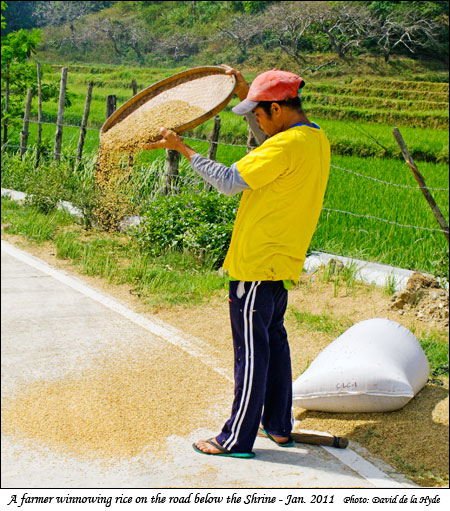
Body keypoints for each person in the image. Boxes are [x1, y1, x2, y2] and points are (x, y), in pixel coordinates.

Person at [144, 65, 331, 458]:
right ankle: (279, 426)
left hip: (255, 264)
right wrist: (247, 95)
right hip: (281, 264)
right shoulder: (313, 139)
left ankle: (235, 438)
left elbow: (229, 181)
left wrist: (182, 148)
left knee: (252, 353)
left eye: (258, 112)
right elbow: (266, 139)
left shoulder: (283, 147)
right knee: (274, 345)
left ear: (278, 109)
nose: (257, 121)